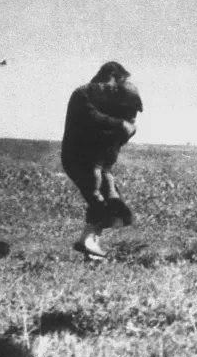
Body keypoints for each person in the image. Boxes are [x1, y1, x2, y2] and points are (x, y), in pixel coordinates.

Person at [61, 61, 142, 259]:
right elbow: (91, 118)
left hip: (99, 163)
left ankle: (90, 244)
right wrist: (121, 125)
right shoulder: (83, 94)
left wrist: (124, 126)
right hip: (80, 160)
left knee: (112, 204)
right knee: (99, 200)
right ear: (112, 75)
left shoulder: (108, 100)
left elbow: (115, 135)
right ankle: (88, 242)